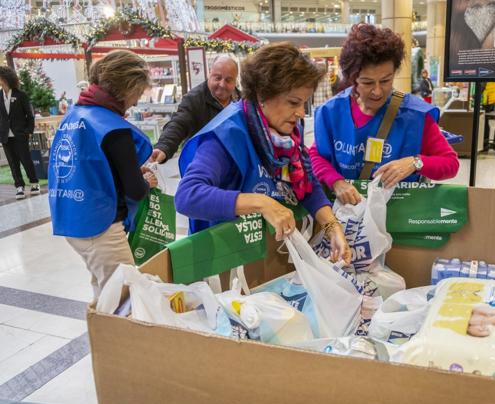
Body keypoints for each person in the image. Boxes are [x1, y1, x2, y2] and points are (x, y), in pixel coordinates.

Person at [176, 42, 351, 264]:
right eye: (293, 103)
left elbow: (305, 182)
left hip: (264, 258)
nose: (299, 113)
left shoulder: (289, 132)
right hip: (223, 262)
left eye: (304, 104)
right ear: (263, 95)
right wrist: (262, 203)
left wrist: (331, 226)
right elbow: (187, 196)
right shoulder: (227, 135)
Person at [48, 50, 157, 300]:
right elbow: (136, 190)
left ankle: (100, 336)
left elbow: (91, 166)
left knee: (103, 291)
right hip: (102, 229)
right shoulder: (114, 128)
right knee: (125, 300)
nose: (136, 102)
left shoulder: (76, 115)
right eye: (138, 94)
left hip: (72, 219)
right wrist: (146, 181)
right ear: (128, 88)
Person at [310, 24, 459, 205]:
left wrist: (414, 163)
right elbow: (317, 155)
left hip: (399, 215)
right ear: (352, 79)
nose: (378, 91)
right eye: (367, 82)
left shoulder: (415, 116)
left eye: (386, 81)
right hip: (347, 215)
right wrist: (336, 182)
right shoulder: (331, 112)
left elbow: (450, 164)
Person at [150, 55, 239, 163]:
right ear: (209, 75)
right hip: (202, 165)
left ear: (235, 81)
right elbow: (179, 123)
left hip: (234, 164)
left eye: (228, 80)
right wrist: (164, 146)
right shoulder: (194, 99)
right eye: (218, 78)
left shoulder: (241, 100)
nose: (222, 84)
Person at [0, 66, 40, 199]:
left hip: (20, 134)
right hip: (5, 136)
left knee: (26, 160)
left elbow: (30, 115)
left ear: (4, 78)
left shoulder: (20, 95)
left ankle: (34, 183)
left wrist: (28, 131)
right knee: (12, 163)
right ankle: (19, 186)